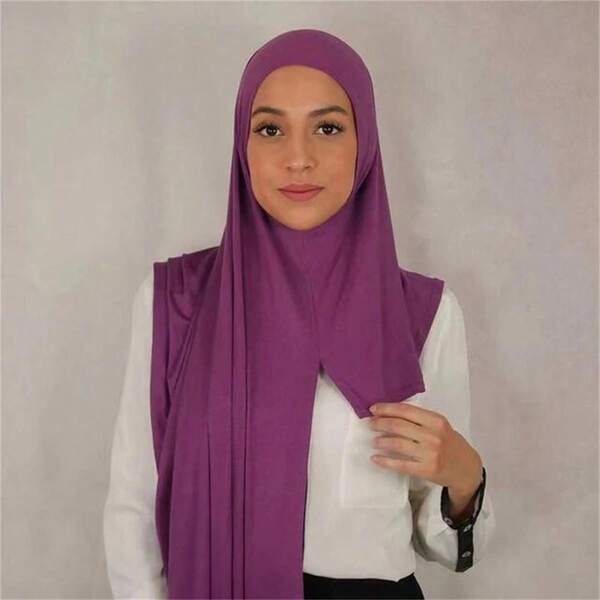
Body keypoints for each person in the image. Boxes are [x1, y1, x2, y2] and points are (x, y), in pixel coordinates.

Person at [103, 29, 496, 599]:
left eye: (327, 128)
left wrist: (464, 475)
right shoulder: (175, 304)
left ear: (365, 143)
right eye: (270, 129)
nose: (298, 158)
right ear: (243, 147)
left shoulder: (425, 314)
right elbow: (134, 509)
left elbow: (442, 545)